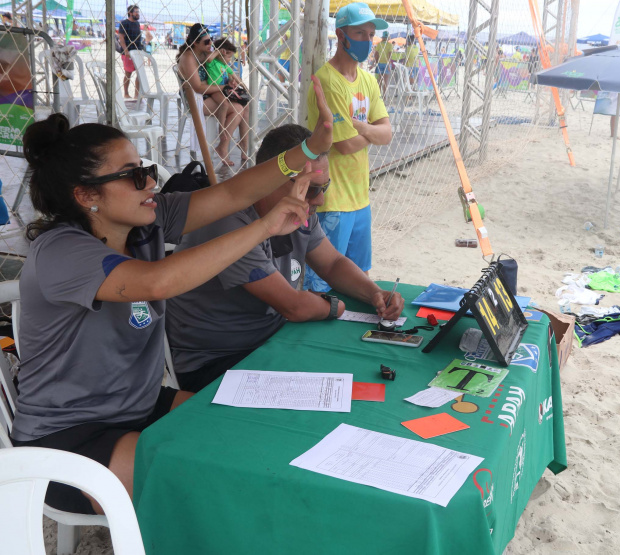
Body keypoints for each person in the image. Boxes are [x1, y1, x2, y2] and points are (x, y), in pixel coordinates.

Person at [8, 88, 332, 514]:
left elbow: (234, 195)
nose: (150, 181)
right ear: (86, 196)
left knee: (253, 436)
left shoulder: (146, 223)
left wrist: (306, 151)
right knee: (214, 486)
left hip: (140, 405)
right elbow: (158, 283)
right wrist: (266, 226)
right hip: (69, 439)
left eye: (145, 168)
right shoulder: (61, 251)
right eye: (132, 175)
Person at [166, 124, 405, 392]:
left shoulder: (297, 209)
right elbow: (295, 307)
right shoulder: (229, 221)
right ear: (273, 179)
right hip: (216, 359)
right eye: (312, 189)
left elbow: (333, 263)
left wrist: (374, 293)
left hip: (272, 338)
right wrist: (333, 305)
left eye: (324, 186)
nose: (321, 199)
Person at [305, 2, 392, 293]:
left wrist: (364, 128)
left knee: (361, 279)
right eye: (361, 33)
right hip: (333, 201)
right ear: (341, 35)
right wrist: (373, 131)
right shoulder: (328, 80)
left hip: (360, 197)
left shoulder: (368, 79)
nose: (368, 40)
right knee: (322, 284)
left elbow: (388, 133)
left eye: (371, 34)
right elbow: (344, 145)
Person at [176, 23, 234, 167]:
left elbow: (222, 68)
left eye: (211, 40)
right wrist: (224, 87)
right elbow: (198, 87)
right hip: (194, 99)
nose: (210, 44)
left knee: (241, 107)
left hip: (208, 94)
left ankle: (225, 147)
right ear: (195, 42)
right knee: (236, 109)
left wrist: (230, 78)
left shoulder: (204, 53)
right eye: (206, 42)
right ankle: (222, 146)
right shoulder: (188, 57)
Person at [206, 37, 250, 165]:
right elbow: (209, 59)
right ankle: (222, 132)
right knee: (224, 104)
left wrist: (245, 89)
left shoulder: (225, 65)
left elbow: (237, 78)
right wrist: (219, 51)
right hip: (215, 90)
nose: (229, 60)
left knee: (246, 105)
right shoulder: (213, 62)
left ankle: (243, 143)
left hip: (226, 91)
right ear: (222, 53)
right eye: (228, 56)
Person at [117, 5, 143, 99]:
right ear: (130, 13)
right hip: (128, 52)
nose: (137, 13)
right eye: (136, 12)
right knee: (128, 73)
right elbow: (121, 38)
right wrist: (126, 50)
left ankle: (137, 94)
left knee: (140, 73)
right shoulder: (124, 23)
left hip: (138, 51)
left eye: (138, 12)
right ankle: (126, 93)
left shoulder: (137, 24)